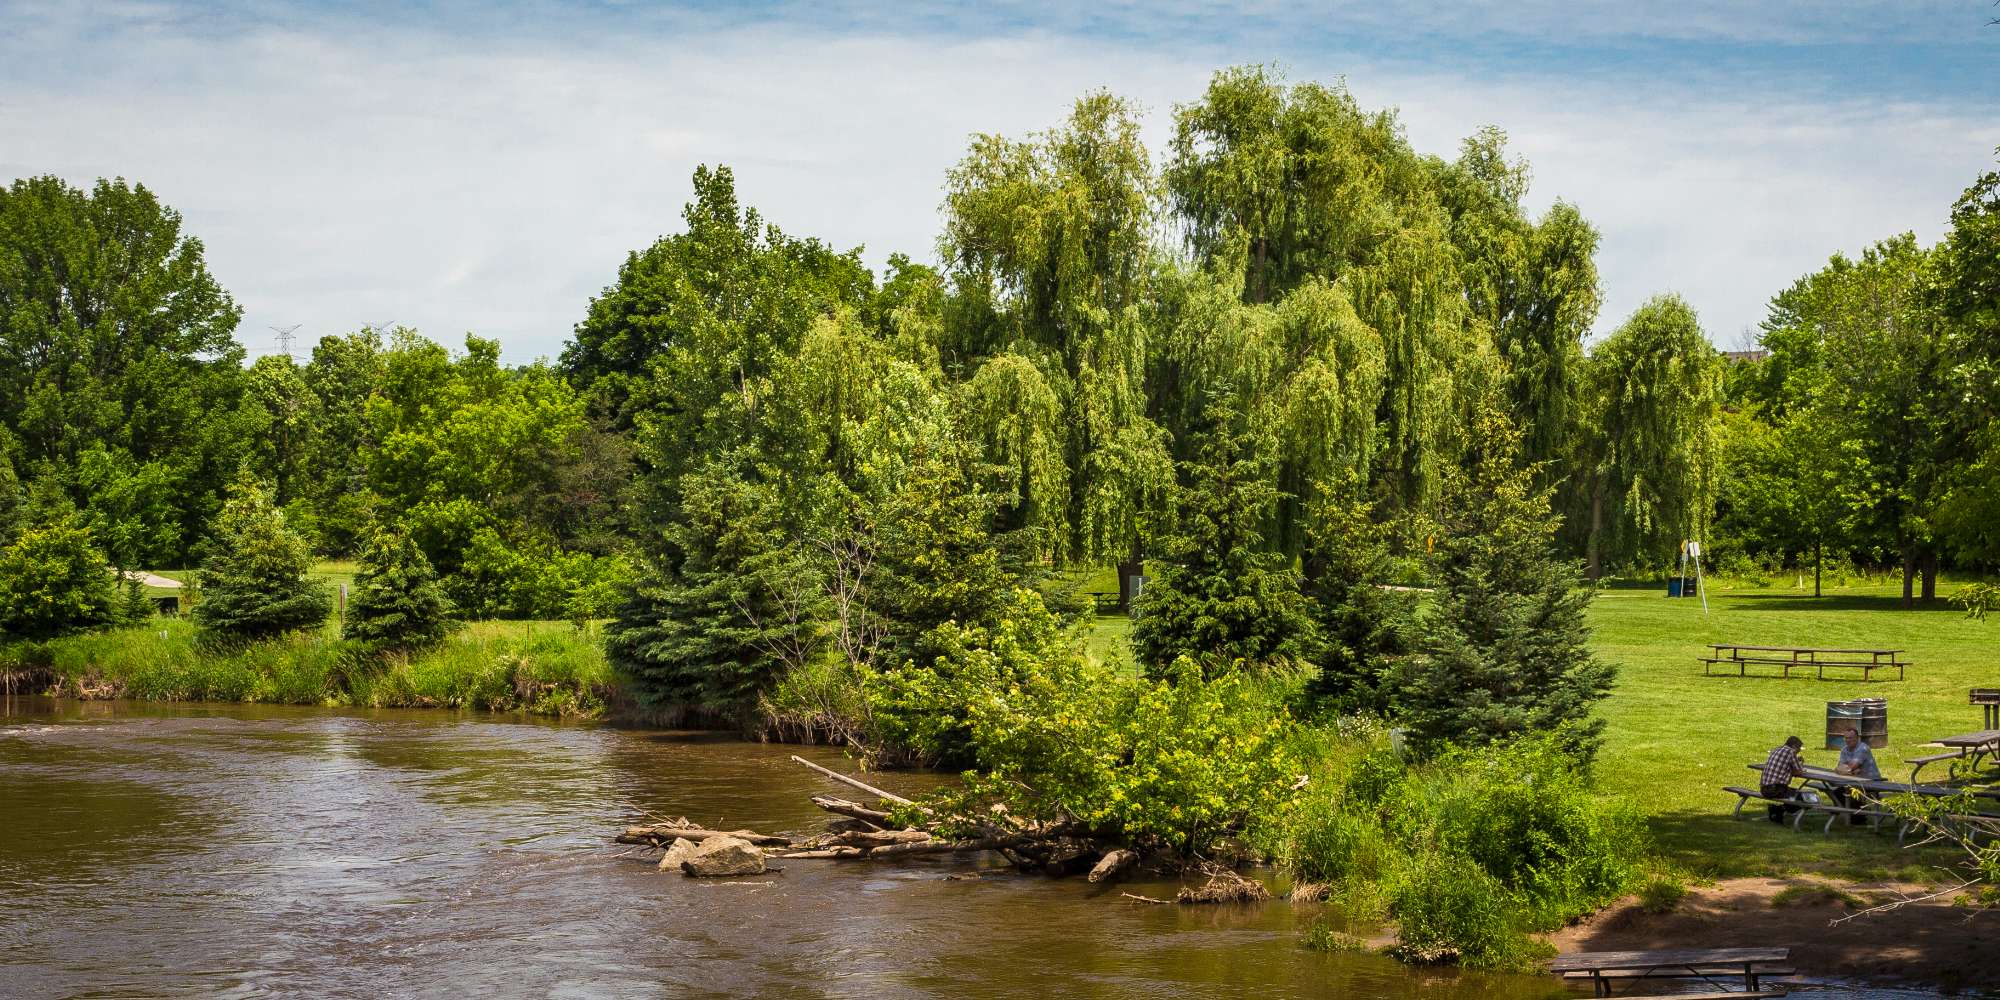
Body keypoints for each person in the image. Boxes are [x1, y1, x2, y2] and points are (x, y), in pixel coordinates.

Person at [1831, 728, 1881, 825]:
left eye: (1850, 738)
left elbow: (1849, 767)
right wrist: (1851, 771)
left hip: (1871, 782)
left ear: (1857, 738)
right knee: (1837, 792)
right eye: (1846, 738)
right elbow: (1839, 768)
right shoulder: (1844, 749)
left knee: (1842, 792)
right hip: (1855, 782)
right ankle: (1856, 816)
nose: (1848, 740)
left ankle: (1858, 817)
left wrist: (1848, 770)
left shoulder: (1863, 748)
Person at [1760, 735, 1808, 823]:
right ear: (1794, 746)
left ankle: (1778, 810)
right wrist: (1800, 764)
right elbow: (1798, 772)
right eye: (1799, 748)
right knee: (1805, 797)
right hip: (1776, 789)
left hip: (1764, 789)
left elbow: (1784, 765)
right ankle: (1779, 810)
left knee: (1794, 794)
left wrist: (1796, 761)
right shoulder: (1791, 752)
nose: (1799, 750)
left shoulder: (1777, 749)